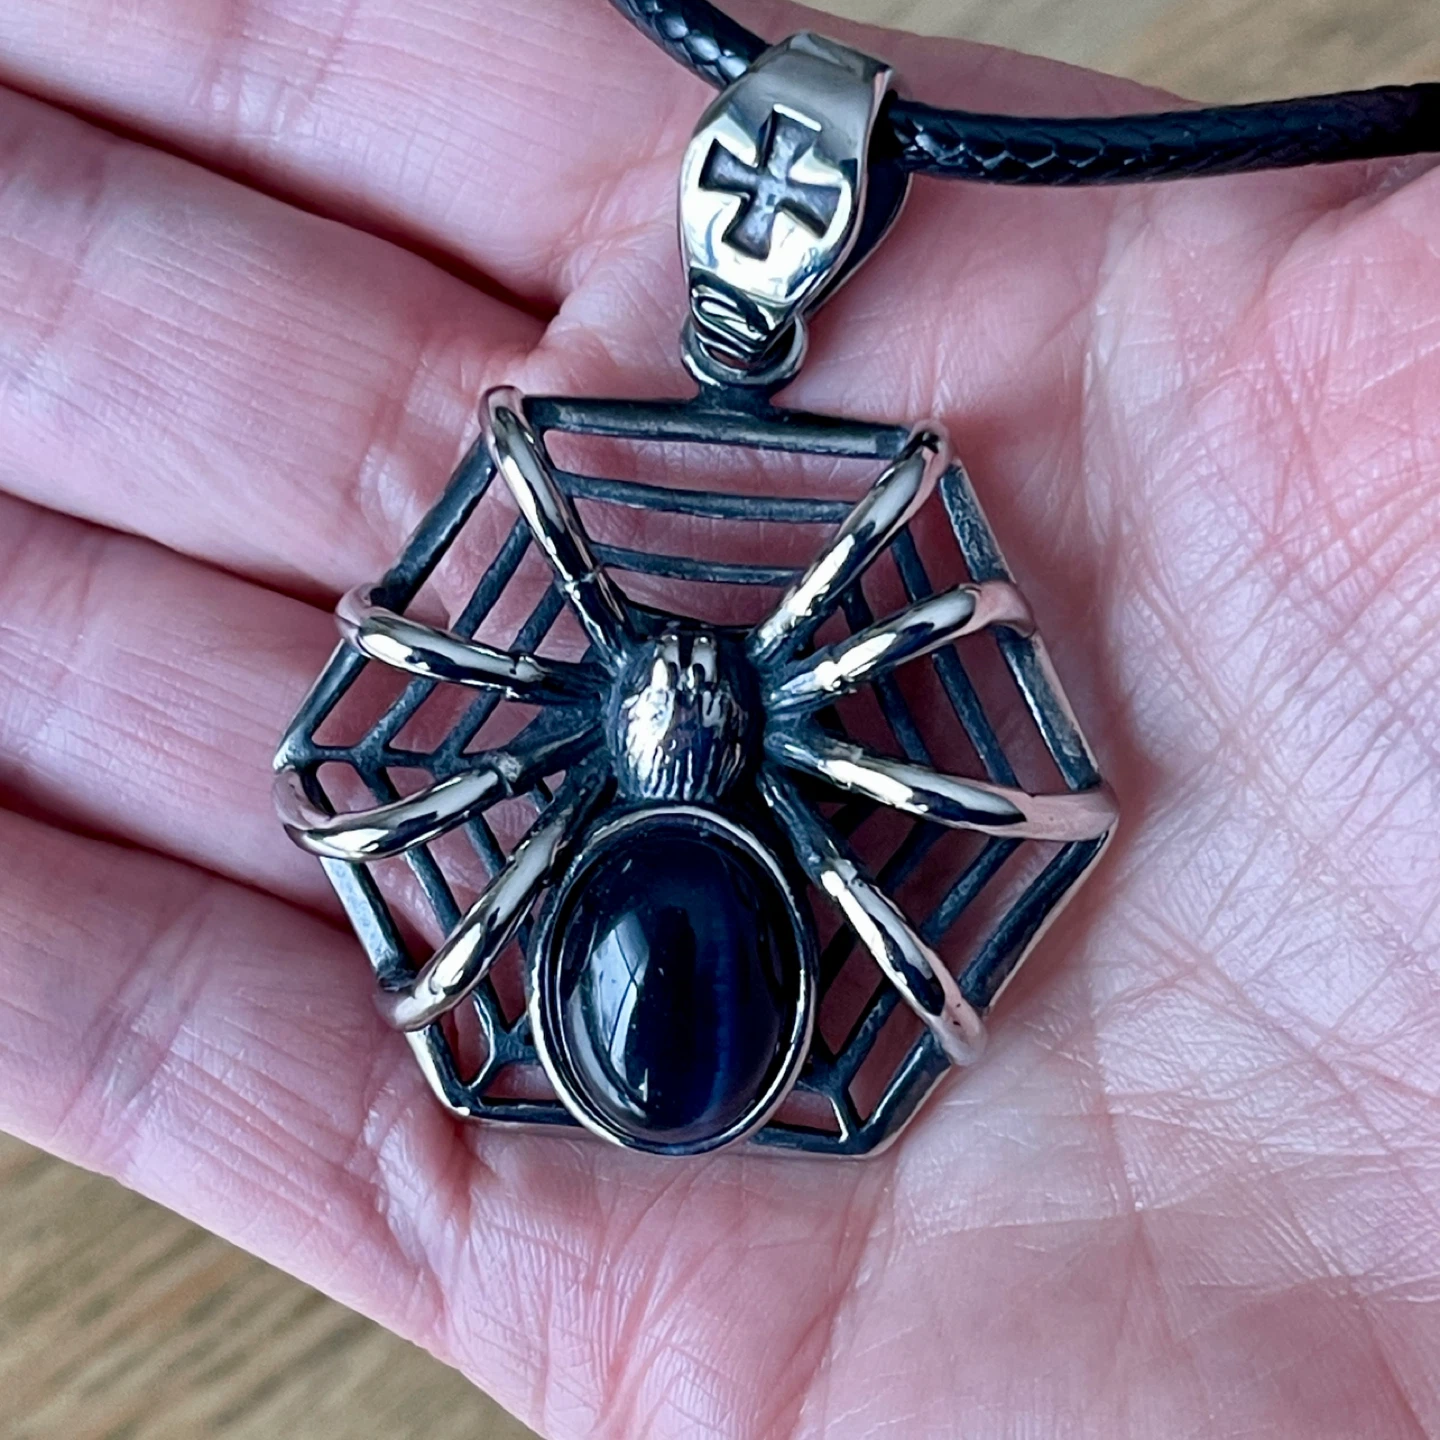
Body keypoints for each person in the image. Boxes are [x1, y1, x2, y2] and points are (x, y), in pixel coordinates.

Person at [0, 1, 1435, 1434]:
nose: (684, 667)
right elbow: (365, 782)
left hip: (708, 819)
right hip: (671, 823)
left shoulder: (725, 668)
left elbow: (990, 775)